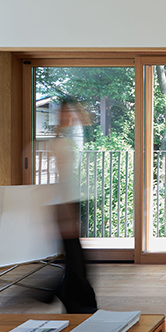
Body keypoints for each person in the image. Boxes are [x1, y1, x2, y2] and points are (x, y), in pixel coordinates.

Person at [50, 97, 98, 314]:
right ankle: (78, 303)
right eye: (67, 112)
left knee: (75, 254)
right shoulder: (59, 141)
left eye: (73, 112)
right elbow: (62, 176)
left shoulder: (71, 136)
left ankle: (60, 291)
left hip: (72, 198)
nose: (72, 116)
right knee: (75, 255)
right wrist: (64, 208)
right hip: (63, 200)